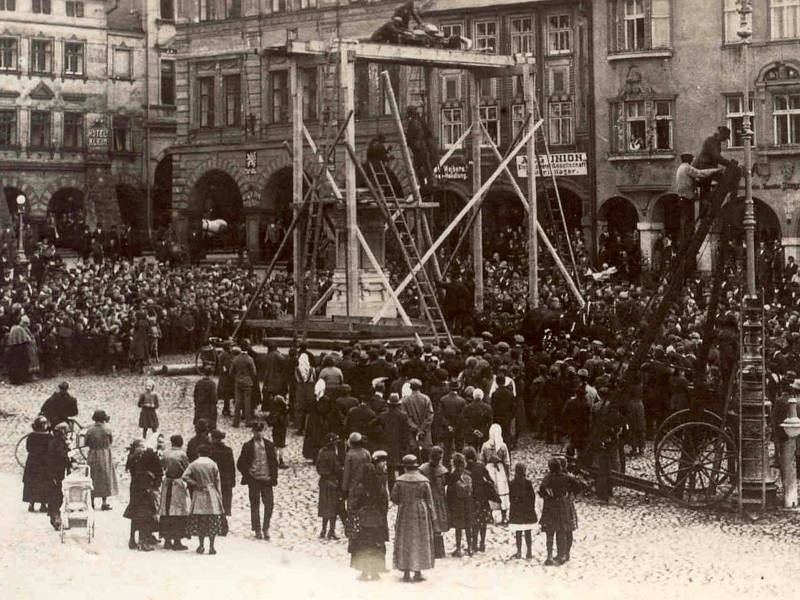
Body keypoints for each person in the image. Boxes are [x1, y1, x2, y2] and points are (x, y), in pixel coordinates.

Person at [391, 454, 436, 583]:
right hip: (421, 512)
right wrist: (433, 516)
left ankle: (405, 572)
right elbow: (429, 500)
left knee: (404, 539)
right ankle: (417, 571)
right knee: (420, 540)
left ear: (405, 467)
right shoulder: (424, 480)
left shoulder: (400, 480)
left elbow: (394, 498)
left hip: (405, 512)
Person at [348, 461, 390, 581]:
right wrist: (381, 515)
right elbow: (384, 503)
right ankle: (376, 571)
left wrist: (354, 515)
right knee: (376, 546)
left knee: (363, 546)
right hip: (377, 522)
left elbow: (354, 505)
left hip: (363, 522)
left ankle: (364, 572)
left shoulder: (360, 488)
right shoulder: (379, 487)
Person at [237, 420, 279, 540]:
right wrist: (248, 474)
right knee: (255, 505)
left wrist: (274, 477)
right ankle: (257, 529)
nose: (258, 434)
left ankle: (266, 527)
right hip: (254, 480)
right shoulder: (248, 446)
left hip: (267, 479)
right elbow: (240, 463)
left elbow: (274, 463)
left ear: (263, 431)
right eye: (256, 431)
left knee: (269, 504)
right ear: (253, 432)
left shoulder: (269, 445)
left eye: (260, 431)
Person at [183, 445, 228, 555]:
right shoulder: (213, 464)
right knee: (212, 520)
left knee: (201, 519)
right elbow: (217, 481)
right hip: (211, 493)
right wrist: (219, 495)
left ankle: (201, 545)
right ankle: (212, 546)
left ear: (199, 453)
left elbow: (185, 476)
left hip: (199, 493)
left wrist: (194, 483)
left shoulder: (194, 464)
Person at [539, 457, 583, 566]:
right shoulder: (566, 477)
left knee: (550, 532)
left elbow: (541, 489)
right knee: (561, 530)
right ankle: (562, 554)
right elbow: (579, 485)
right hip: (562, 505)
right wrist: (572, 495)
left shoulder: (547, 478)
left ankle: (549, 556)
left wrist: (546, 495)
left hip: (550, 506)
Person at [123, 439, 163, 551]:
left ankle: (132, 539)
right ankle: (142, 541)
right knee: (144, 513)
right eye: (141, 447)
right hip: (144, 488)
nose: (143, 449)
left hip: (135, 488)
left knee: (135, 512)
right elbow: (145, 473)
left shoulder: (132, 457)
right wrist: (151, 481)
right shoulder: (141, 457)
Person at [159, 434, 191, 550]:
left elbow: (161, 466)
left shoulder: (166, 453)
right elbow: (188, 469)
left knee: (167, 510)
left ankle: (167, 539)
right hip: (178, 483)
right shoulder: (182, 455)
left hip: (167, 483)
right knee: (178, 511)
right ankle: (177, 540)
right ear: (181, 443)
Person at [84, 409, 119, 510]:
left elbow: (86, 442)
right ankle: (104, 502)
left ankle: (92, 501)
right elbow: (110, 441)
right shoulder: (107, 429)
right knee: (105, 477)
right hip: (104, 454)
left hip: (93, 453)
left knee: (92, 476)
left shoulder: (90, 430)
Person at [419, 446, 448, 559]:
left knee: (437, 525)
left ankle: (437, 551)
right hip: (428, 499)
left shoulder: (442, 470)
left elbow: (444, 484)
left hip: (437, 499)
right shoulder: (423, 469)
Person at [464, 445, 494, 553]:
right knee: (483, 522)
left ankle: (474, 543)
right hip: (482, 497)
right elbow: (490, 479)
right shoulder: (480, 466)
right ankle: (482, 543)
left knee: (473, 522)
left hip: (471, 497)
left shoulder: (465, 468)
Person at [481, 423, 511, 525]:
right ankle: (504, 516)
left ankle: (489, 515)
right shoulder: (503, 446)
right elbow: (507, 462)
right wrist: (507, 474)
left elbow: (482, 460)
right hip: (500, 470)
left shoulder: (485, 445)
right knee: (502, 491)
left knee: (490, 490)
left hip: (489, 469)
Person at [445, 452, 473, 557]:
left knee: (458, 527)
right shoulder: (468, 474)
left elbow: (450, 491)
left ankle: (458, 548)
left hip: (457, 504)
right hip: (467, 502)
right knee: (468, 526)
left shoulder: (453, 475)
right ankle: (470, 548)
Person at [316, 432, 343, 540]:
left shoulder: (321, 452)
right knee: (333, 508)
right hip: (333, 483)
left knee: (324, 507)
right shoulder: (333, 454)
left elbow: (318, 466)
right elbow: (337, 469)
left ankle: (323, 530)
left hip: (323, 482)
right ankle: (331, 531)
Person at [508, 462, 537, 560]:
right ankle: (529, 551)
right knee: (527, 531)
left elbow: (510, 498)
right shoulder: (528, 483)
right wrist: (531, 507)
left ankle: (519, 551)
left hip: (516, 511)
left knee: (518, 532)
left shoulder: (511, 483)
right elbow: (532, 497)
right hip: (527, 510)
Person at [45, 422, 71, 530]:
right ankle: (56, 519)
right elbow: (62, 457)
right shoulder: (58, 443)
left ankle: (55, 518)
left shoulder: (55, 442)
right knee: (57, 495)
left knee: (56, 494)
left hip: (54, 472)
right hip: (55, 472)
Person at [23, 415, 51, 513]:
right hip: (44, 463)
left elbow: (28, 448)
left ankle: (32, 503)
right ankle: (42, 504)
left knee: (33, 481)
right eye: (44, 423)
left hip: (33, 462)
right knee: (44, 482)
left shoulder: (31, 436)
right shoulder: (49, 436)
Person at [342, 432, 372, 511]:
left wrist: (344, 489)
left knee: (352, 507)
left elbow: (346, 473)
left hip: (353, 485)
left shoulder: (349, 455)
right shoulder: (366, 453)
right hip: (365, 483)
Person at [208, 429, 236, 516]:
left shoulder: (209, 451)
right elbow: (232, 467)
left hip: (212, 480)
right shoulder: (228, 450)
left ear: (213, 439)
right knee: (224, 505)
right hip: (226, 480)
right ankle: (224, 523)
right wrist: (232, 481)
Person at [231, 345, 257, 427]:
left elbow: (231, 372)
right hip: (247, 382)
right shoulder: (250, 359)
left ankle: (236, 422)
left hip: (238, 382)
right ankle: (248, 422)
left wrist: (236, 377)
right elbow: (254, 372)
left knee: (238, 402)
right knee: (247, 402)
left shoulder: (236, 359)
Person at [402, 378, 434, 445]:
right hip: (425, 434)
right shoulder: (426, 398)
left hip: (412, 434)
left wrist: (416, 428)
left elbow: (406, 417)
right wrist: (422, 429)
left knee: (412, 453)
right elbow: (430, 416)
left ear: (410, 387)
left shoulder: (405, 400)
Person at [7, 315, 34, 384]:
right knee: (20, 364)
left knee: (14, 364)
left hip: (13, 348)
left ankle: (13, 380)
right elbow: (27, 339)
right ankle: (19, 380)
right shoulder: (20, 329)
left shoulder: (13, 328)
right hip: (20, 348)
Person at [268, 395, 289, 469]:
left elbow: (270, 421)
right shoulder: (283, 411)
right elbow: (285, 422)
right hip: (282, 430)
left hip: (276, 429)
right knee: (281, 446)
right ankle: (280, 460)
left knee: (276, 445)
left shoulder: (274, 411)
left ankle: (274, 460)